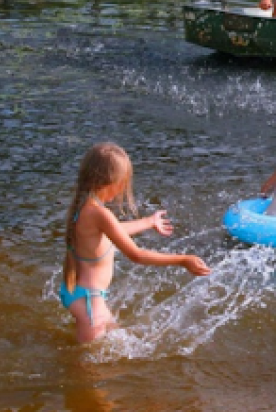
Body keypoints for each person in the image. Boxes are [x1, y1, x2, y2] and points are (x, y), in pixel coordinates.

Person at [61, 143, 210, 344]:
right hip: (91, 304)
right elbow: (136, 255)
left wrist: (148, 222)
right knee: (87, 373)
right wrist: (183, 260)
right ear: (115, 182)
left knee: (118, 343)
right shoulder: (100, 213)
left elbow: (113, 232)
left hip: (82, 295)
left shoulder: (86, 207)